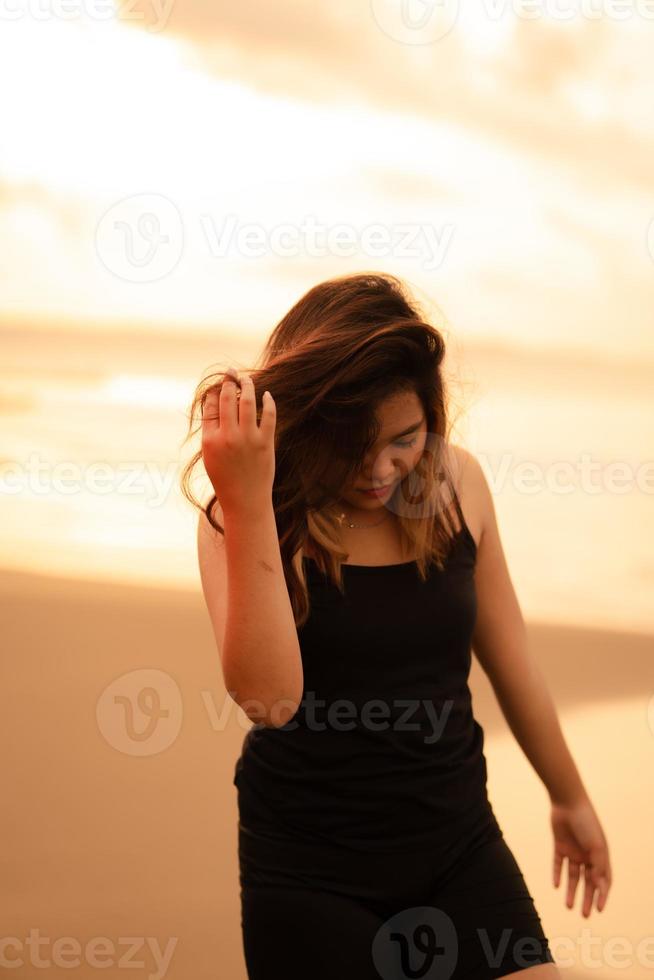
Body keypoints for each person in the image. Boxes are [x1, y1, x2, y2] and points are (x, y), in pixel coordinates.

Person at [186, 272, 612, 980]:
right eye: (353, 446)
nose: (379, 470)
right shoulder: (242, 516)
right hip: (309, 870)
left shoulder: (458, 486)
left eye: (404, 440)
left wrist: (569, 796)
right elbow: (269, 700)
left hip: (457, 845)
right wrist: (252, 503)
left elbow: (515, 663)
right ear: (307, 421)